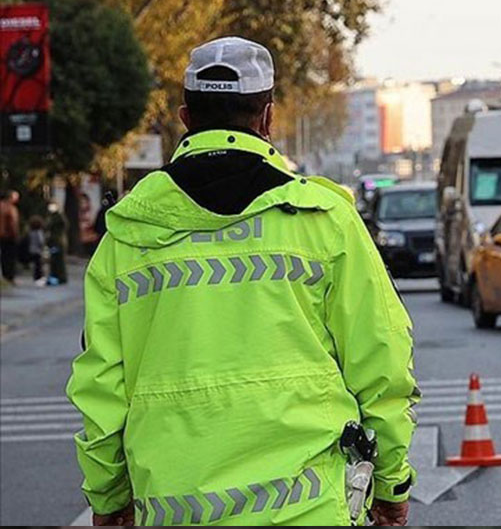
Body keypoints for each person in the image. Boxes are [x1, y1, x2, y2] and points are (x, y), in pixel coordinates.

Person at [66, 37, 419, 527]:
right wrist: (391, 480)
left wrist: (107, 499)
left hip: (175, 510)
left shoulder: (128, 237)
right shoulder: (324, 219)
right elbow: (381, 362)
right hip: (312, 510)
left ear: (186, 116)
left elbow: (101, 389)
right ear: (267, 116)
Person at [0, 190, 21, 284]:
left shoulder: (1, 206)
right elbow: (12, 223)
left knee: (4, 256)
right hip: (9, 236)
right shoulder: (10, 208)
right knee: (10, 257)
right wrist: (15, 235)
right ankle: (9, 276)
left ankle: (5, 275)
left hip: (2, 235)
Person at [45, 202, 68, 285]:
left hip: (57, 242)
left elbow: (48, 226)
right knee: (56, 261)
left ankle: (59, 278)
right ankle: (57, 277)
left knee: (57, 261)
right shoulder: (54, 217)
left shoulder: (57, 217)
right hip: (55, 242)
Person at [27, 215, 46, 284]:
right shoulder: (39, 232)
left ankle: (35, 276)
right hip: (38, 251)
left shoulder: (30, 232)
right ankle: (39, 277)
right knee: (39, 265)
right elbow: (41, 241)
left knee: (35, 265)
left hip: (31, 250)